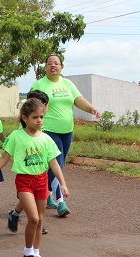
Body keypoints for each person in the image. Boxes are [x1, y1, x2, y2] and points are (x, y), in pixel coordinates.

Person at [0, 98, 68, 257]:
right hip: (24, 181)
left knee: (40, 220)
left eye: (41, 117)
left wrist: (63, 183)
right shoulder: (16, 136)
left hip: (42, 180)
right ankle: (27, 253)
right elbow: (4, 158)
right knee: (34, 219)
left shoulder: (46, 139)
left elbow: (54, 164)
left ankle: (36, 254)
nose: (39, 120)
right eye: (35, 117)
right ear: (24, 118)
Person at [29, 54, 101, 216]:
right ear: (45, 67)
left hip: (67, 131)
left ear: (61, 67)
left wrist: (92, 109)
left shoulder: (67, 83)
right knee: (57, 164)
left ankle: (45, 193)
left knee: (57, 166)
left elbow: (78, 99)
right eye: (49, 63)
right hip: (48, 130)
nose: (53, 66)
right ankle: (61, 201)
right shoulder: (39, 85)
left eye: (56, 63)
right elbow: (31, 106)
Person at [8, 90, 50, 234]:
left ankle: (16, 213)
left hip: (39, 176)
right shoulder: (22, 132)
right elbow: (6, 154)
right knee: (33, 209)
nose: (39, 119)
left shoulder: (42, 131)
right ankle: (33, 221)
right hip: (25, 175)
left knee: (34, 204)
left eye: (41, 115)